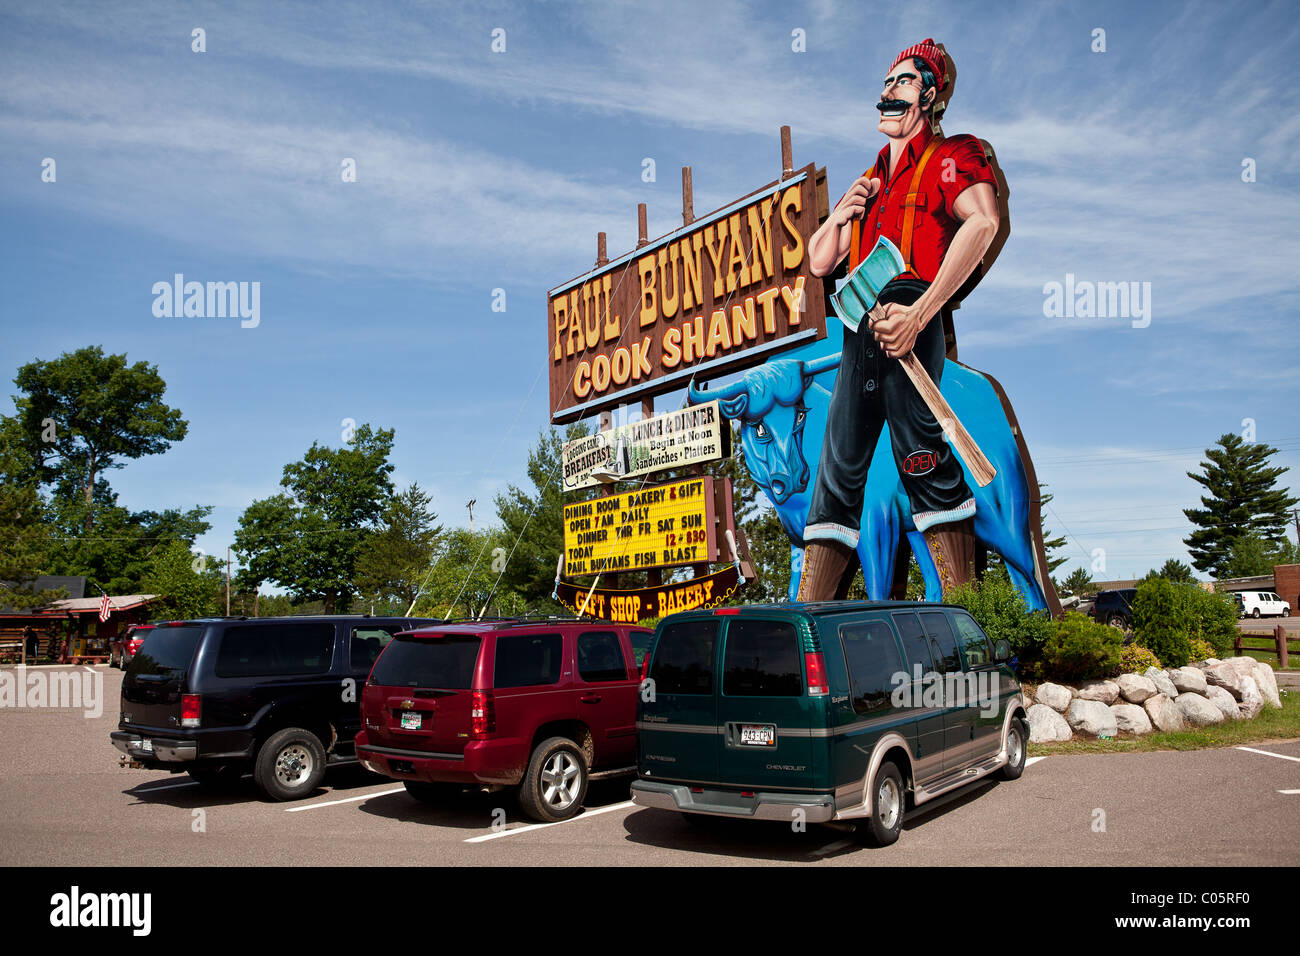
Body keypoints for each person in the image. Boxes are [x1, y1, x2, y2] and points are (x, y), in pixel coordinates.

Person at [799, 38, 1001, 600]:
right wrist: (841, 214)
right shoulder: (868, 179)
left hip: (910, 304)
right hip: (857, 321)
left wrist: (919, 313)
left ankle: (968, 619)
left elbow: (981, 224)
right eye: (886, 83)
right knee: (837, 465)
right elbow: (819, 262)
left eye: (904, 82)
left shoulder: (953, 155)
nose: (889, 92)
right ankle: (810, 625)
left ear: (930, 96)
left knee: (920, 453)